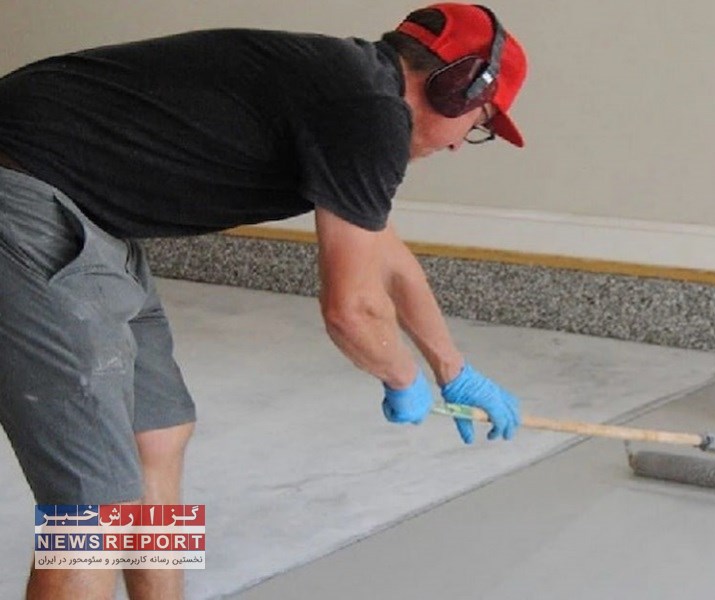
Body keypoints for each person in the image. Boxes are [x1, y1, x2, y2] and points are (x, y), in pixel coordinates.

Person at [0, 2, 527, 599]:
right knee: (93, 510)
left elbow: (388, 255)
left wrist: (454, 370)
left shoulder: (353, 95)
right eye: (480, 123)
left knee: (161, 432)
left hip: (90, 212)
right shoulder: (366, 112)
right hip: (25, 194)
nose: (460, 145)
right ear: (458, 88)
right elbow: (351, 310)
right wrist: (402, 377)